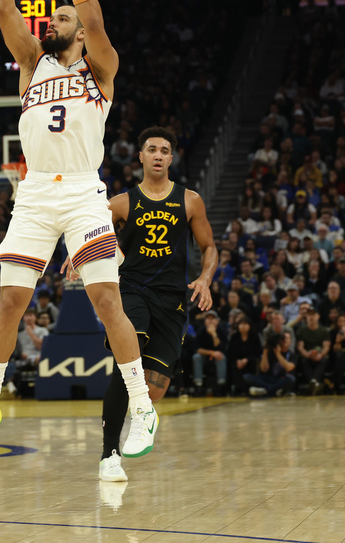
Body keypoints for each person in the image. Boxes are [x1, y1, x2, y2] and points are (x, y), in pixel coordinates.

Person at [0, 0, 158, 459]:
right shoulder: (31, 64)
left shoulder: (101, 70)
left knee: (106, 299)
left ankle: (143, 406)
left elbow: (95, 21)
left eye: (63, 17)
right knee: (10, 303)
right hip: (32, 194)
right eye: (52, 17)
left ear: (79, 32)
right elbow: (3, 7)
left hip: (81, 193)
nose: (53, 20)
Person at [64, 125, 216, 480]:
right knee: (126, 363)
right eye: (152, 149)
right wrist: (77, 254)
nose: (158, 155)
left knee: (154, 388)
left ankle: (144, 412)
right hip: (131, 291)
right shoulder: (122, 203)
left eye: (164, 150)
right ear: (141, 157)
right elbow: (88, 230)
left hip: (172, 299)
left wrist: (205, 278)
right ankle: (109, 454)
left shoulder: (190, 200)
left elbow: (209, 246)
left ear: (171, 158)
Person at [295, 308, 331, 395]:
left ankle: (312, 382)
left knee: (324, 360)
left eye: (313, 314)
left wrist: (320, 355)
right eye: (309, 315)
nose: (311, 317)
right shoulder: (301, 330)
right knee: (304, 361)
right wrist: (307, 354)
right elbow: (300, 347)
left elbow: (326, 347)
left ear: (318, 316)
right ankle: (314, 383)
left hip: (319, 354)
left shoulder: (324, 331)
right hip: (307, 355)